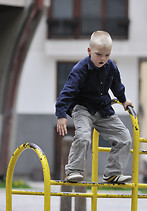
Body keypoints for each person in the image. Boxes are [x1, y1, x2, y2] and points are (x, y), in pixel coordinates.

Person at [55, 30, 133, 184]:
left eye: (107, 55)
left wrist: (124, 100)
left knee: (125, 138)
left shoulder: (111, 67)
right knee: (84, 137)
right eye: (99, 54)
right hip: (82, 108)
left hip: (103, 108)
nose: (103, 59)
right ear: (89, 51)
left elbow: (117, 85)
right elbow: (67, 92)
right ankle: (73, 171)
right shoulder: (80, 69)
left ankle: (112, 173)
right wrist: (61, 115)